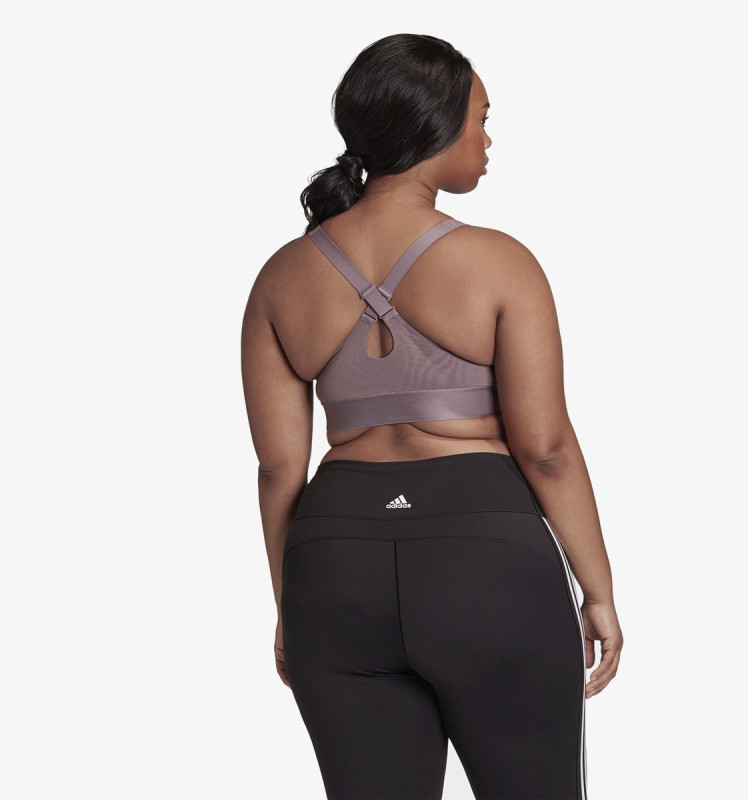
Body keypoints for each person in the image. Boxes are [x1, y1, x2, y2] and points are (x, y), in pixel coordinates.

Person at [241, 32, 622, 800]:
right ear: (436, 126)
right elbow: (545, 448)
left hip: (333, 568)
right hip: (486, 563)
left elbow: (280, 468)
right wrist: (599, 590)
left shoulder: (280, 277)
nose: (488, 140)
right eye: (482, 118)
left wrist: (293, 605)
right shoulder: (500, 262)